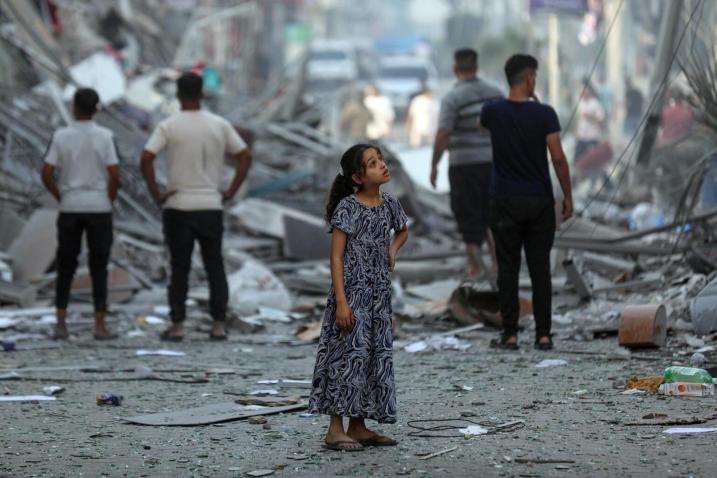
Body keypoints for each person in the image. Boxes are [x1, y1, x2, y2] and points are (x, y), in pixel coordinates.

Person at [309, 144, 409, 451]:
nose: (382, 165)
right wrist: (341, 301)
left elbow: (402, 230)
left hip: (378, 297)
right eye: (372, 163)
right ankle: (335, 429)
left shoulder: (388, 202)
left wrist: (392, 251)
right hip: (352, 294)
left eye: (380, 160)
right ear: (357, 177)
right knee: (344, 359)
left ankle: (359, 426)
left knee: (370, 358)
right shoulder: (348, 208)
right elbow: (336, 258)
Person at [140, 72, 251, 341]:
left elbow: (146, 158)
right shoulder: (219, 125)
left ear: (178, 96)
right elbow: (244, 155)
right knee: (215, 265)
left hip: (178, 205)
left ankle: (178, 326)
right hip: (210, 204)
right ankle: (218, 325)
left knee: (179, 267)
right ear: (202, 94)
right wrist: (231, 189)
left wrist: (157, 193)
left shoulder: (169, 125)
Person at [480, 54, 573, 351]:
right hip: (539, 201)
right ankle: (543, 335)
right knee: (539, 269)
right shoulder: (545, 114)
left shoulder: (491, 112)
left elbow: (485, 128)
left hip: (504, 200)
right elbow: (557, 157)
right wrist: (568, 195)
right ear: (531, 78)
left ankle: (510, 334)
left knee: (507, 268)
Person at [41, 88, 120, 340]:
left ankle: (61, 323)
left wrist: (60, 195)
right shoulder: (105, 136)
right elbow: (115, 174)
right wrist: (109, 197)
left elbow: (46, 172)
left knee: (66, 265)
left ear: (74, 107)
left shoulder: (62, 135)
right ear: (97, 109)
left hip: (70, 206)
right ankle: (99, 325)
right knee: (99, 266)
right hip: (99, 207)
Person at [431, 48, 503, 279]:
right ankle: (496, 263)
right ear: (476, 67)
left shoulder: (452, 98)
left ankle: (475, 266)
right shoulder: (495, 94)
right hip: (494, 164)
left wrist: (434, 164)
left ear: (455, 69)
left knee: (468, 214)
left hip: (464, 167)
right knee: (493, 214)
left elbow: (443, 134)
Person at [574, 79, 605, 161]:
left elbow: (600, 120)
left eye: (584, 91)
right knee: (577, 158)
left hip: (592, 137)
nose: (582, 93)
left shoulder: (595, 103)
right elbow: (579, 119)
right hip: (582, 136)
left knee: (593, 159)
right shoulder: (581, 103)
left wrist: (589, 117)